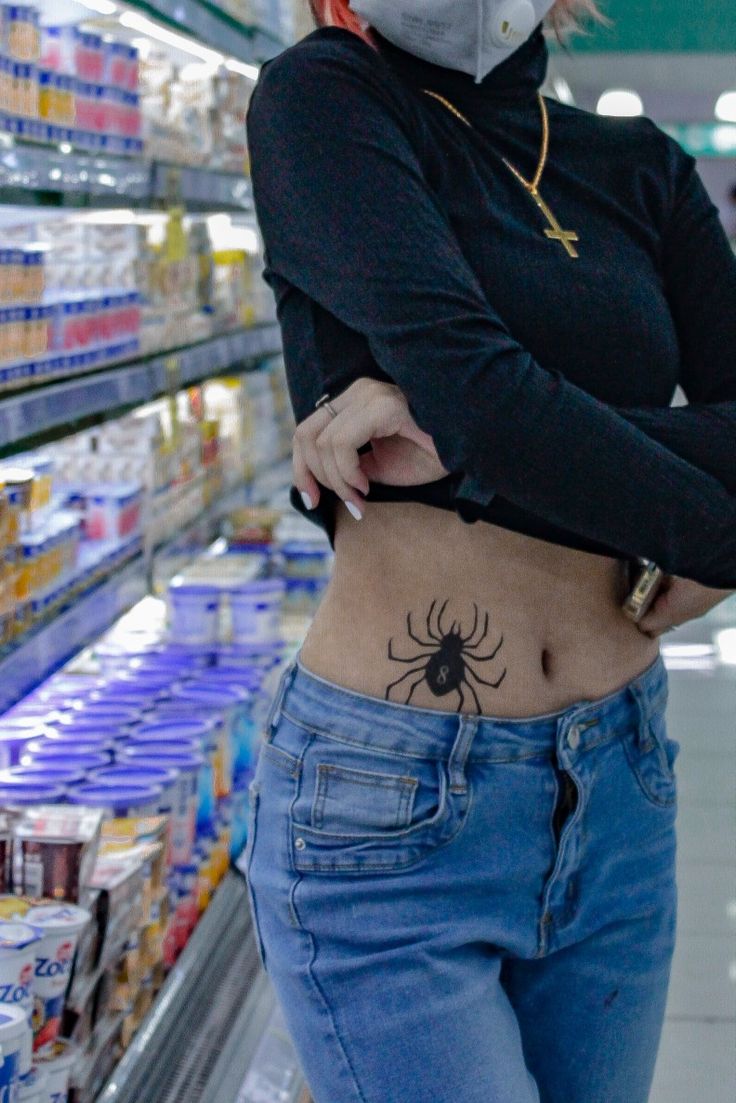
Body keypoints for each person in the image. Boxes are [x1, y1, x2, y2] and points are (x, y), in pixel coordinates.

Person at [243, 3, 736, 1100]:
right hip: (389, 798)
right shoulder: (324, 102)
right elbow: (484, 394)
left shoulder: (638, 167)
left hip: (619, 783)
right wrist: (685, 504)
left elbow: (490, 411)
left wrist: (460, 449)